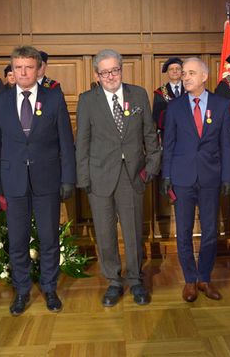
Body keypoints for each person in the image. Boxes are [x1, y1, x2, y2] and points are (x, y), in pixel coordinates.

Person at [0, 45, 76, 316]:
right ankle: (22, 291)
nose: (23, 72)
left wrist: (68, 177)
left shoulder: (53, 98)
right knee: (17, 241)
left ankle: (49, 289)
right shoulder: (0, 101)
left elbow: (66, 143)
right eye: (18, 67)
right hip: (13, 181)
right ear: (12, 70)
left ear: (38, 70)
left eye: (28, 67)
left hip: (47, 180)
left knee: (49, 238)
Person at [75, 49, 161, 307]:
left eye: (115, 70)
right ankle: (113, 281)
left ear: (122, 70)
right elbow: (82, 143)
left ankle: (135, 279)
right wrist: (83, 179)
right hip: (99, 176)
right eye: (105, 72)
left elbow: (150, 135)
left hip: (132, 175)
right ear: (97, 75)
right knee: (105, 232)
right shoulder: (87, 100)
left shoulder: (138, 95)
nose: (111, 76)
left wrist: (151, 168)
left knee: (134, 231)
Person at [161, 57, 230, 302]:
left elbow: (226, 144)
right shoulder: (174, 107)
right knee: (183, 233)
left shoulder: (221, 105)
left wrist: (227, 176)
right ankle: (190, 281)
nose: (186, 77)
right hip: (182, 178)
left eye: (191, 73)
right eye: (184, 74)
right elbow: (168, 145)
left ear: (205, 76)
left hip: (210, 178)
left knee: (211, 231)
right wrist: (167, 175)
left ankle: (205, 278)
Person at [152, 57, 184, 138]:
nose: (174, 71)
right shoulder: (160, 92)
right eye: (171, 69)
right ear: (168, 72)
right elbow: (156, 116)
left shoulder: (189, 89)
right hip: (168, 134)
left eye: (177, 68)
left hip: (188, 133)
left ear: (182, 71)